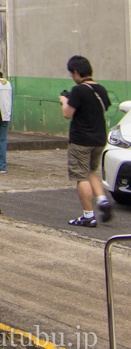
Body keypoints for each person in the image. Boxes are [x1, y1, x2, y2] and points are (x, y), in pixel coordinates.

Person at [60, 55, 112, 227]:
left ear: (76, 72)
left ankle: (88, 216)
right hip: (99, 139)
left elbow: (67, 114)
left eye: (71, 74)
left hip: (81, 140)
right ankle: (103, 201)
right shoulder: (101, 89)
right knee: (90, 171)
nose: (72, 77)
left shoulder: (79, 90)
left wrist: (64, 101)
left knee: (81, 176)